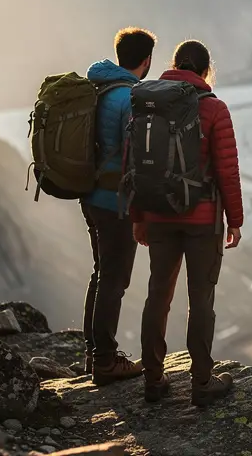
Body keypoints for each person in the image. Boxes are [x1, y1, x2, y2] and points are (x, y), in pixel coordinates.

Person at [130, 39, 244, 404]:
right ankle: (201, 382)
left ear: (174, 65)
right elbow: (227, 171)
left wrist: (139, 216)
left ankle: (152, 378)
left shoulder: (147, 103)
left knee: (157, 295)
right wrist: (235, 220)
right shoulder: (214, 109)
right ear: (206, 70)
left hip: (158, 214)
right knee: (201, 299)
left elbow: (136, 166)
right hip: (202, 219)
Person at [81, 27, 156, 385]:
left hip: (90, 195)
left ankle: (92, 354)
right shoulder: (130, 97)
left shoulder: (99, 87)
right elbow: (136, 158)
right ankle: (106, 360)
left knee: (101, 274)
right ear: (146, 61)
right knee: (114, 279)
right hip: (115, 201)